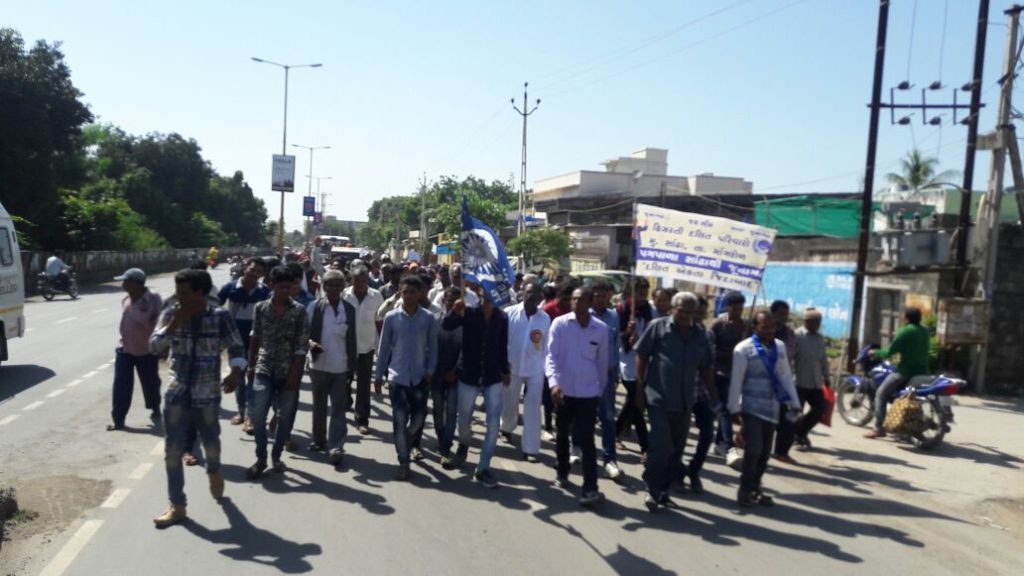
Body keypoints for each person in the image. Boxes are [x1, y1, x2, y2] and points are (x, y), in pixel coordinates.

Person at [149, 269, 246, 528]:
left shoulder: (219, 316)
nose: (178, 298)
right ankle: (177, 506)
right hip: (177, 392)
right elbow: (154, 347)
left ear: (200, 293)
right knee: (172, 451)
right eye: (177, 292)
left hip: (207, 394)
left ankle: (213, 470)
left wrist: (236, 372)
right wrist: (174, 324)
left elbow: (236, 346)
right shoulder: (172, 313)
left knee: (211, 443)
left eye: (184, 293)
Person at [635, 292, 713, 511]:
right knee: (661, 445)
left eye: (691, 311)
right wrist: (639, 391)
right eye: (682, 310)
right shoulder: (658, 327)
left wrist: (715, 398)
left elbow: (706, 367)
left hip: (686, 401)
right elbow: (641, 356)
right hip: (658, 397)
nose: (686, 315)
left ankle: (663, 490)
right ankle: (651, 488)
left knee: (676, 450)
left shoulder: (700, 335)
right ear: (673, 308)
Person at [728, 311, 800, 507]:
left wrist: (795, 401)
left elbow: (785, 376)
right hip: (751, 407)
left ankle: (755, 488)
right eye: (764, 327)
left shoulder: (779, 347)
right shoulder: (743, 349)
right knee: (754, 449)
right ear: (754, 327)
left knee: (765, 452)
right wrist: (734, 407)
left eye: (772, 327)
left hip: (773, 408)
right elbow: (737, 380)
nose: (769, 331)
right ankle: (744, 489)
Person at [442, 284, 510, 488]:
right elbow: (446, 326)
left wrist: (505, 370)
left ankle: (483, 468)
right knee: (463, 419)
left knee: (493, 424)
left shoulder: (502, 318)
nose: (488, 303)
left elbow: (502, 346)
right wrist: (454, 311)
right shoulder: (468, 312)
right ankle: (464, 444)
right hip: (469, 375)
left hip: (492, 377)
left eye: (492, 299)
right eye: (485, 299)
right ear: (479, 297)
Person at [245, 266, 310, 479]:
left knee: (284, 417)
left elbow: (301, 345)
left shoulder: (299, 310)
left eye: (288, 287)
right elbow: (255, 337)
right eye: (280, 287)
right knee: (257, 414)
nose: (284, 291)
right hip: (264, 367)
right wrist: (251, 366)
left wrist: (294, 374)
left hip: (288, 370)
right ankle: (261, 456)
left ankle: (276, 455)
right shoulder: (261, 308)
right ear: (271, 285)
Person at [546, 287, 608, 507]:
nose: (575, 303)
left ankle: (590, 488)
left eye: (580, 299)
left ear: (589, 302)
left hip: (588, 394)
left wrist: (599, 393)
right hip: (563, 392)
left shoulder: (600, 329)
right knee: (562, 434)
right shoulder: (560, 324)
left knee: (587, 441)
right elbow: (551, 357)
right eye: (573, 299)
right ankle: (562, 471)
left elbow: (602, 365)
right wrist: (553, 384)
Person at [375, 276, 437, 480]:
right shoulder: (392, 318)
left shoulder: (428, 318)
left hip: (420, 377)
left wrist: (430, 370)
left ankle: (406, 440)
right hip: (397, 377)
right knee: (399, 419)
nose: (409, 296)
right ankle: (403, 460)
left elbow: (433, 348)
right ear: (400, 293)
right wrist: (378, 375)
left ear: (419, 294)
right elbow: (383, 349)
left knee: (418, 417)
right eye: (405, 292)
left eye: (412, 292)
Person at [307, 270, 357, 465]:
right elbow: (304, 332)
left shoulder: (349, 310)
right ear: (324, 287)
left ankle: (336, 445)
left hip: (341, 366)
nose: (333, 288)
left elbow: (352, 338)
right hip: (318, 365)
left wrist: (352, 366)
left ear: (343, 288)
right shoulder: (315, 307)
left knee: (338, 408)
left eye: (337, 285)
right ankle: (319, 440)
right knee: (318, 406)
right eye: (330, 285)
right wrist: (310, 343)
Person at [217, 257, 270, 430]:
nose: (255, 273)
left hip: (258, 341)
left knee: (254, 378)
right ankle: (241, 411)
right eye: (252, 269)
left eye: (259, 271)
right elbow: (214, 307)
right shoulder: (230, 288)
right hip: (235, 342)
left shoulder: (264, 292)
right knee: (238, 377)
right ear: (245, 268)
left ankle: (251, 417)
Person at [500, 281, 550, 462]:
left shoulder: (545, 319)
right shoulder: (509, 313)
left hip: (535, 369)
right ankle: (506, 427)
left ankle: (531, 448)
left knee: (533, 407)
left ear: (540, 298)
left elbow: (546, 347)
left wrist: (545, 370)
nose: (531, 297)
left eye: (535, 294)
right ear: (522, 293)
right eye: (528, 293)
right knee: (509, 402)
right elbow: (501, 342)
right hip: (512, 367)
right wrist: (502, 367)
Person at [108, 268, 163, 431]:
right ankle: (118, 420)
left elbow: (162, 322)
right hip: (124, 349)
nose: (123, 284)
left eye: (126, 281)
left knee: (151, 383)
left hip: (147, 350)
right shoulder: (126, 299)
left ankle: (155, 407)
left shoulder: (154, 299)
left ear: (137, 284)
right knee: (121, 385)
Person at [864, 307, 930, 439]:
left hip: (906, 372)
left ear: (906, 318)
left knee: (881, 393)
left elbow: (890, 351)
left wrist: (875, 353)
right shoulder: (924, 331)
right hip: (922, 372)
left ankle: (878, 428)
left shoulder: (905, 331)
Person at [774, 308, 830, 455]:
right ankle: (792, 439)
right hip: (798, 382)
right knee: (794, 413)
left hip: (815, 382)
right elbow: (790, 357)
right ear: (806, 322)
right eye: (814, 322)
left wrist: (827, 376)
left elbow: (823, 359)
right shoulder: (797, 336)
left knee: (820, 408)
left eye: (818, 322)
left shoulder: (819, 338)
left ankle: (801, 431)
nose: (817, 325)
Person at [681, 295, 719, 494]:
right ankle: (677, 472)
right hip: (681, 392)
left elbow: (709, 366)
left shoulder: (707, 335)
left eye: (701, 312)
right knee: (679, 436)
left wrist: (714, 396)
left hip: (702, 392)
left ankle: (694, 470)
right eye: (695, 311)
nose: (698, 315)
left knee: (707, 434)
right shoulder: (677, 332)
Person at [343, 265, 384, 435]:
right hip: (345, 348)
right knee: (344, 382)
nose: (360, 284)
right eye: (357, 280)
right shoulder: (344, 295)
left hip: (367, 347)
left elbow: (380, 321)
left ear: (368, 281)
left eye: (363, 281)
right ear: (352, 280)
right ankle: (345, 403)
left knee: (364, 385)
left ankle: (362, 419)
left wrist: (380, 347)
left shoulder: (376, 297)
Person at [709, 291, 750, 460]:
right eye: (735, 307)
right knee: (725, 409)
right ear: (728, 307)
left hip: (737, 374)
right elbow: (711, 350)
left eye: (741, 307)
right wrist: (732, 353)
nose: (738, 310)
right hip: (719, 372)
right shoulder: (719, 324)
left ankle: (719, 444)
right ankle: (728, 445)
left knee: (730, 408)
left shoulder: (746, 326)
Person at [616, 278, 652, 461]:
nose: (642, 298)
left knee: (633, 400)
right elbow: (616, 335)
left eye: (645, 294)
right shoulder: (622, 309)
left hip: (643, 361)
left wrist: (640, 338)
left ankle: (615, 432)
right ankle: (645, 446)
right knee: (637, 400)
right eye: (639, 294)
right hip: (625, 360)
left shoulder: (649, 311)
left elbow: (650, 335)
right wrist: (627, 334)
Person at [589, 280, 622, 480]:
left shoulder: (614, 317)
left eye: (604, 296)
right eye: (597, 296)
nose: (601, 299)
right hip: (586, 375)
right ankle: (578, 449)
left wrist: (616, 372)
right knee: (585, 416)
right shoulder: (585, 316)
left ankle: (610, 458)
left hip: (607, 376)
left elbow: (616, 345)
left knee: (608, 417)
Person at [432, 287, 463, 467]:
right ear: (444, 301)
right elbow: (430, 347)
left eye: (456, 302)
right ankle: (441, 438)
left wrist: (455, 370)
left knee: (451, 413)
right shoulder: (435, 321)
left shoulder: (465, 324)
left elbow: (465, 351)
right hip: (436, 374)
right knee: (437, 410)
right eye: (449, 301)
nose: (452, 305)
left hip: (455, 376)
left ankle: (446, 446)